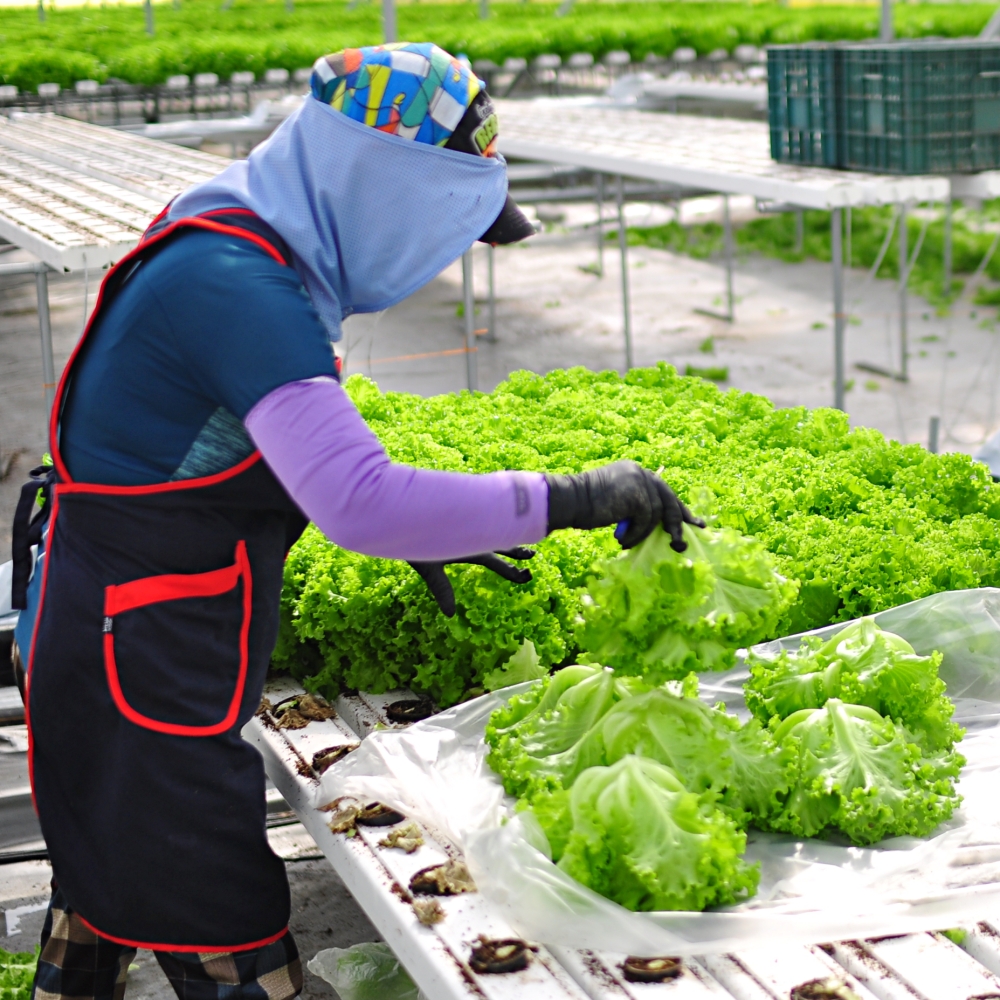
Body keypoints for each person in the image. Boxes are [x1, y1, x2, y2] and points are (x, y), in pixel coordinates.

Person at [11, 42, 702, 1000]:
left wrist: (436, 523)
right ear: (384, 189)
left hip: (120, 619)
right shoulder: (235, 284)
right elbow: (363, 501)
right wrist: (577, 496)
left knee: (106, 875)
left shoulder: (232, 225)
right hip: (139, 650)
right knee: (215, 912)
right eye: (449, 225)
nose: (446, 258)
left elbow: (202, 435)